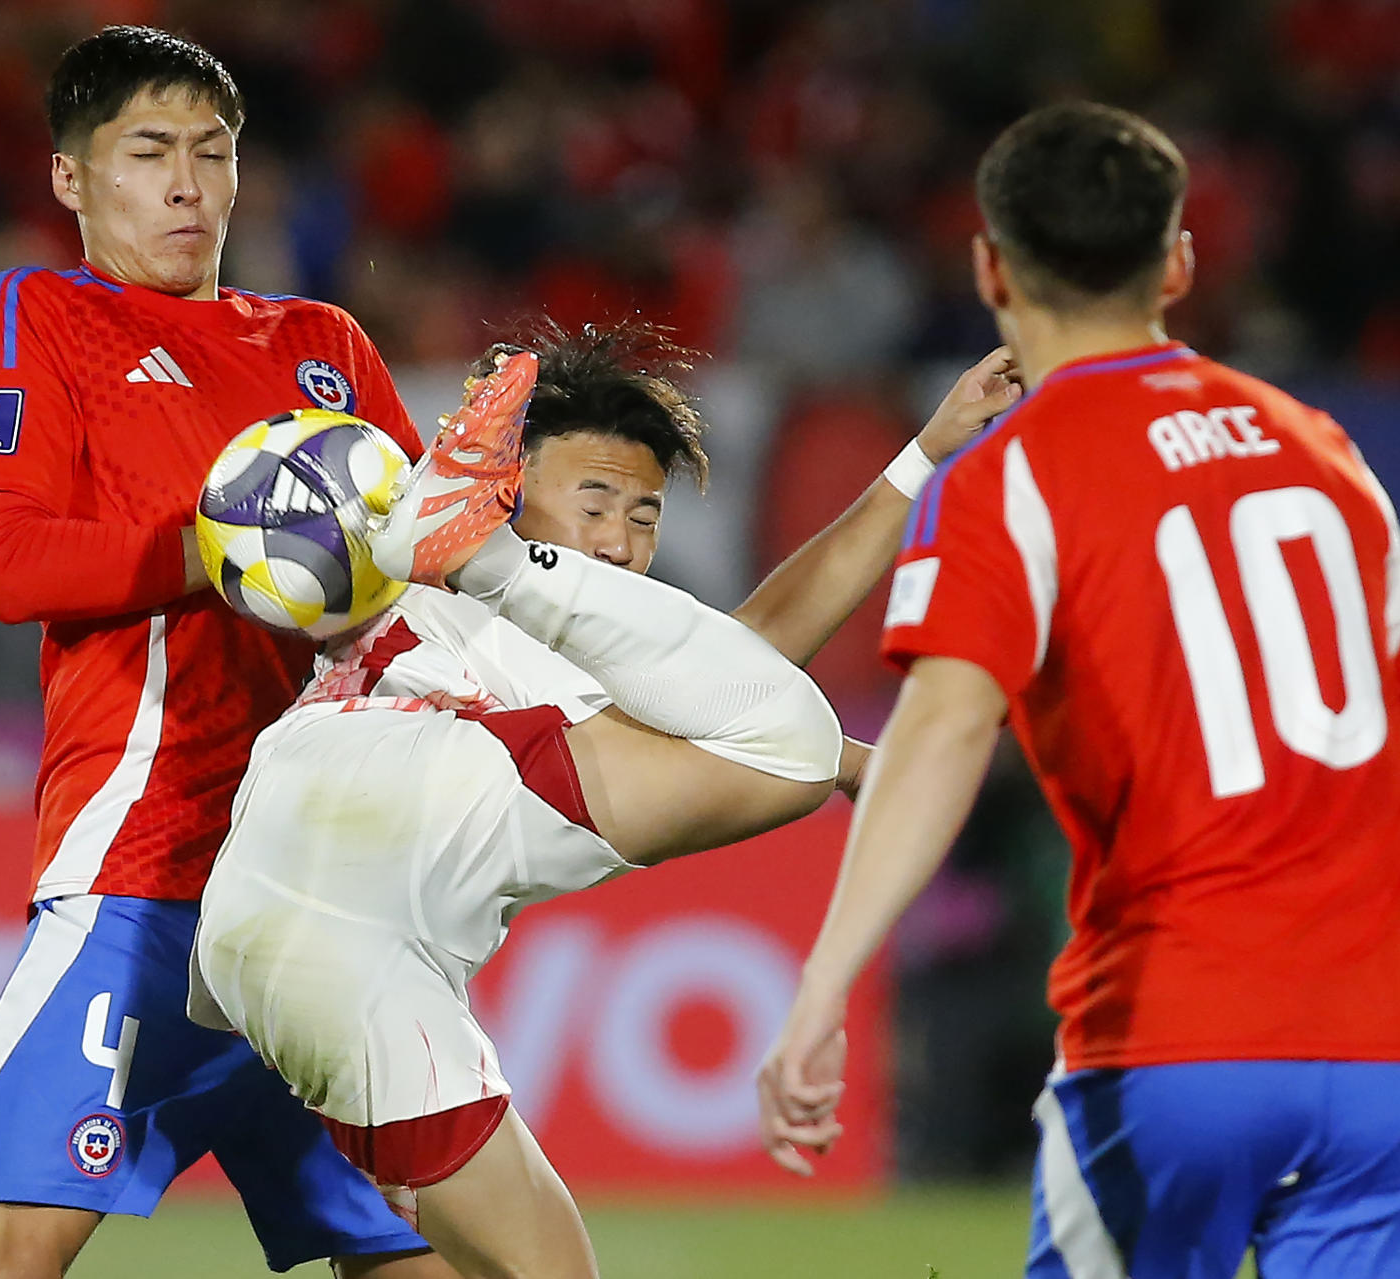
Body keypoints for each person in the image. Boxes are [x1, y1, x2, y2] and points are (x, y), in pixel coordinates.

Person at [757, 102, 1400, 1279]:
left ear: (990, 267)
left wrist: (823, 987)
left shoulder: (1014, 474)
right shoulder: (1321, 446)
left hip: (1175, 1038)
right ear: (1180, 257)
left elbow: (946, 730)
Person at [190, 325, 1023, 1279]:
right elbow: (743, 697)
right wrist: (869, 765)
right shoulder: (490, 598)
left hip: (293, 907)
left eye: (645, 514)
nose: (620, 543)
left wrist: (927, 453)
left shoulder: (484, 612)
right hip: (358, 885)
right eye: (594, 501)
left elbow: (732, 655)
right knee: (785, 740)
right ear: (509, 490)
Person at [0, 26, 453, 1279]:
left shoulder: (326, 346)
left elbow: (413, 599)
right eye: (150, 151)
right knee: (20, 1245)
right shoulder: (38, 314)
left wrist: (488, 523)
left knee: (413, 1256)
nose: (187, 182)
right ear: (72, 178)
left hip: (321, 884)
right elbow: (15, 568)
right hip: (146, 866)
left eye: (213, 152)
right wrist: (225, 546)